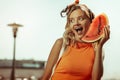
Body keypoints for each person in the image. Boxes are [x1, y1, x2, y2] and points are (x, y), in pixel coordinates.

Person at [41, 0, 110, 80]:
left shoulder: (97, 49)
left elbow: (96, 78)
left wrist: (100, 46)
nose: (76, 23)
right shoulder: (61, 43)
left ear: (90, 21)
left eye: (80, 18)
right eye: (72, 20)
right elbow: (45, 77)